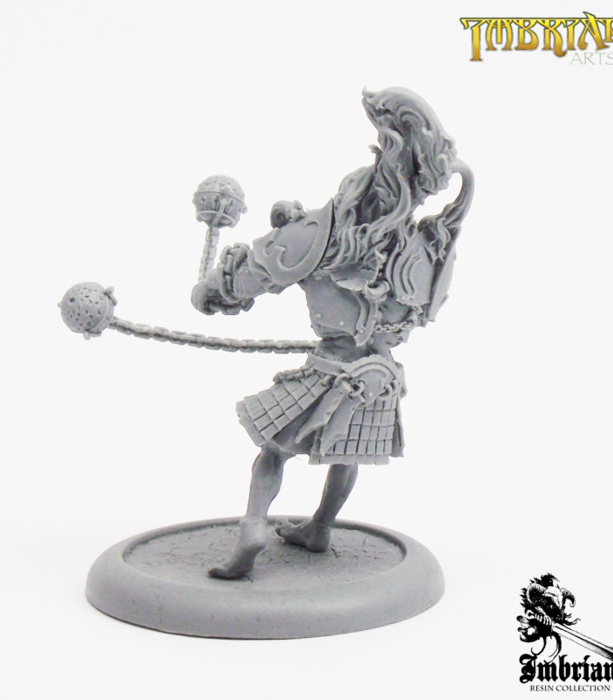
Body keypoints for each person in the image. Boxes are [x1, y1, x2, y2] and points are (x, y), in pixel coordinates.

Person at [191, 87, 474, 579]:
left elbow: (243, 281)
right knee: (349, 453)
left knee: (273, 451)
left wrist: (211, 289)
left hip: (331, 369)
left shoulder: (324, 234)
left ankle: (254, 528)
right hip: (380, 376)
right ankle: (320, 526)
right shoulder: (426, 248)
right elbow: (419, 314)